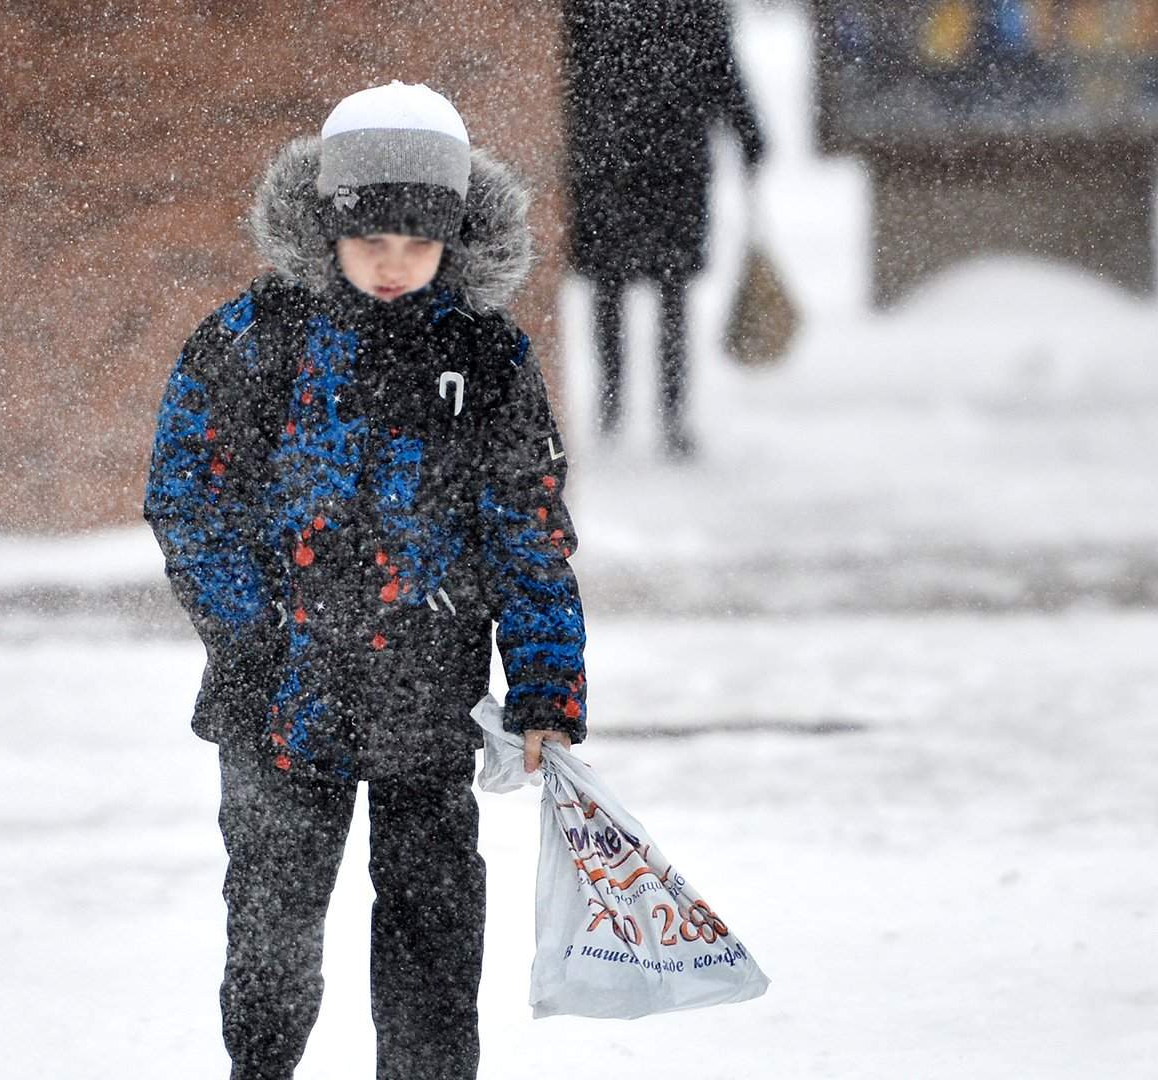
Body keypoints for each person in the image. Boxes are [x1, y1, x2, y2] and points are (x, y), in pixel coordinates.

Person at [143, 81, 588, 1080]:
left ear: (456, 238)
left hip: (427, 701)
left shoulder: (485, 355)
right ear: (327, 223)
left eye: (420, 245)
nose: (395, 267)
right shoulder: (252, 344)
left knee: (433, 947)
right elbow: (188, 502)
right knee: (271, 939)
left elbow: (527, 532)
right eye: (371, 240)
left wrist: (547, 686)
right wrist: (253, 633)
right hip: (277, 705)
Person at [564, 0, 766, 459]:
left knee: (612, 287)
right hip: (670, 162)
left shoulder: (591, 8)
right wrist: (748, 132)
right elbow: (722, 71)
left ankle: (615, 406)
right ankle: (666, 413)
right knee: (668, 292)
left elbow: (568, 71)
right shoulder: (694, 8)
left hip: (608, 160)